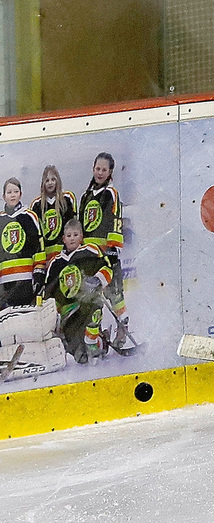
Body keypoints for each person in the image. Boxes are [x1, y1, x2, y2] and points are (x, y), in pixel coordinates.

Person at [43, 218, 114, 364]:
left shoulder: (90, 251)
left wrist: (98, 279)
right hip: (68, 311)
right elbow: (50, 290)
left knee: (94, 307)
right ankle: (100, 340)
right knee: (81, 357)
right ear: (63, 239)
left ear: (81, 236)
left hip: (87, 303)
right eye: (69, 236)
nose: (72, 238)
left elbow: (107, 268)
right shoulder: (56, 262)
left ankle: (93, 341)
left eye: (75, 235)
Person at [79, 152, 130, 347]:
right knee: (93, 299)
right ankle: (97, 334)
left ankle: (122, 328)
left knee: (114, 294)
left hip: (107, 255)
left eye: (104, 169)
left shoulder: (111, 193)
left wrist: (113, 250)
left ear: (110, 172)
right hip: (90, 256)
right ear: (93, 169)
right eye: (97, 169)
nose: (100, 173)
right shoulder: (86, 196)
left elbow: (116, 221)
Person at [0, 178, 46, 309]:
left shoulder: (30, 216)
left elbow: (39, 248)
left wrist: (39, 273)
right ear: (4, 196)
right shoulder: (1, 220)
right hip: (5, 284)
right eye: (9, 192)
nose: (13, 195)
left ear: (20, 194)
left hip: (26, 280)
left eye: (16, 191)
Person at [31, 165, 77, 268]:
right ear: (43, 183)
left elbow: (73, 227)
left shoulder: (67, 199)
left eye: (53, 179)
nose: (50, 183)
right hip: (47, 258)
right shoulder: (37, 205)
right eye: (47, 180)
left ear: (58, 181)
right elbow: (36, 236)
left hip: (65, 254)